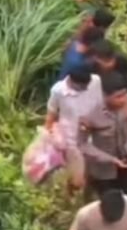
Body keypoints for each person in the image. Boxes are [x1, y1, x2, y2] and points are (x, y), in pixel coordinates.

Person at [79, 72, 127, 215]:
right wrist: (110, 159)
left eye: (125, 94)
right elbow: (83, 144)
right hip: (104, 170)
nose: (123, 100)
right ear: (105, 95)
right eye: (118, 97)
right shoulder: (89, 113)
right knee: (111, 206)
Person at [44, 66, 103, 194]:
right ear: (71, 81)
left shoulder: (96, 81)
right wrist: (48, 139)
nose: (85, 89)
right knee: (78, 179)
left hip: (95, 135)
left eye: (87, 86)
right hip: (72, 140)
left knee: (94, 174)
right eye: (81, 87)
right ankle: (71, 193)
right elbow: (51, 115)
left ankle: (85, 194)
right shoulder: (58, 90)